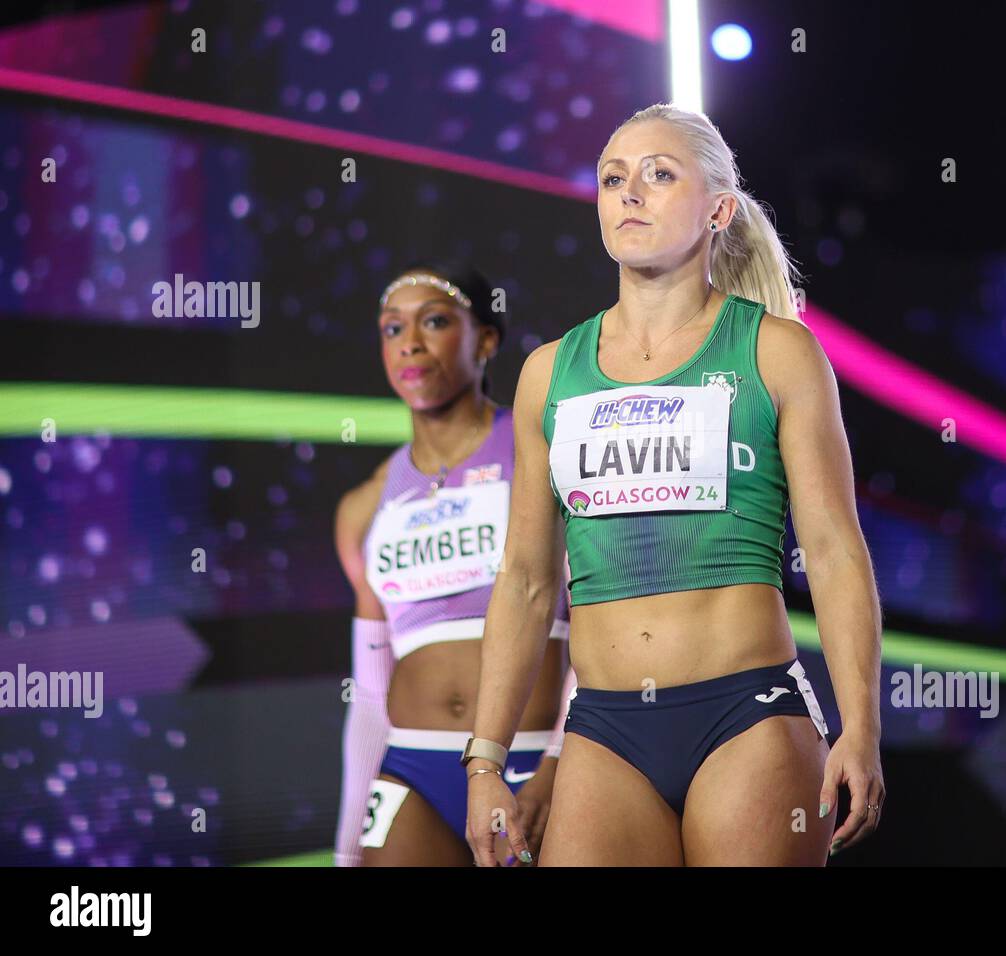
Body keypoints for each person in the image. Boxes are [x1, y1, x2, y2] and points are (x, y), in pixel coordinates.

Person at [464, 104, 885, 866]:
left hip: (746, 717)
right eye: (613, 178)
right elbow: (526, 579)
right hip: (604, 732)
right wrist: (485, 761)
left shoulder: (779, 353)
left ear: (719, 209)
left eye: (660, 175)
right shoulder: (547, 375)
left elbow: (832, 549)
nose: (631, 193)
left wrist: (863, 727)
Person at [333, 261, 573, 866]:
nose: (410, 343)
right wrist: (345, 850)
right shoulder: (364, 507)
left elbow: (597, 625)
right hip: (409, 767)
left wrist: (562, 760)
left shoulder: (537, 451)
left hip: (530, 755)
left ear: (485, 339)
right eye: (392, 329)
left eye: (434, 322)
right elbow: (368, 691)